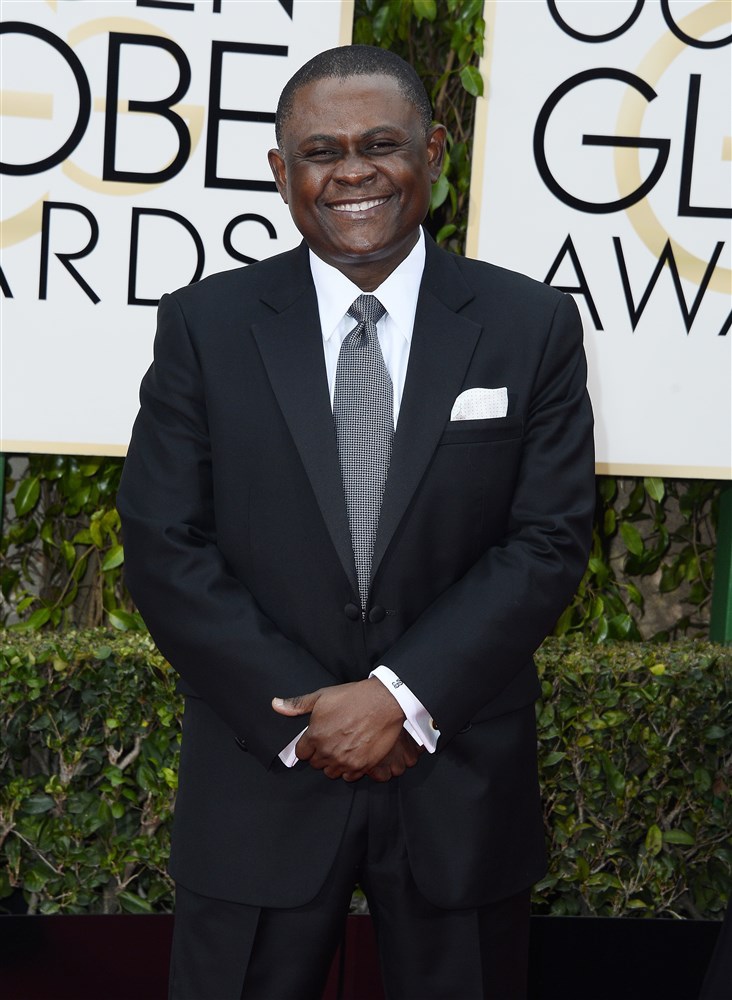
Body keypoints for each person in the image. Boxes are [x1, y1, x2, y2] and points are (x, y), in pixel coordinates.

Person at [117, 44, 595, 1000]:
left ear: (434, 152)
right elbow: (166, 543)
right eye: (322, 151)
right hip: (265, 777)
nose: (353, 171)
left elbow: (546, 539)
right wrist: (310, 715)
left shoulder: (527, 324)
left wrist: (399, 697)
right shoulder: (205, 327)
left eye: (382, 143)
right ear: (281, 173)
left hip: (456, 773)